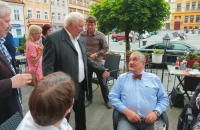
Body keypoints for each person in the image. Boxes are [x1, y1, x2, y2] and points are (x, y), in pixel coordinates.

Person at [42, 12, 110, 130]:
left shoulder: (80, 39)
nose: (83, 29)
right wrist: (53, 91)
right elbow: (48, 70)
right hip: (63, 89)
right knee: (63, 119)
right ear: (70, 24)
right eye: (80, 26)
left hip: (80, 86)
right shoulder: (53, 39)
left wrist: (101, 69)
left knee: (80, 117)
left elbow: (86, 59)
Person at [108, 51, 169, 130]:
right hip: (127, 120)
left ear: (143, 63)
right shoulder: (122, 78)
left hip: (151, 121)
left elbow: (164, 99)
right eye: (130, 60)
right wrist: (126, 111)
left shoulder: (154, 79)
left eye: (135, 60)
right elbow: (112, 96)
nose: (131, 62)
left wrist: (156, 113)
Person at [0, 1, 32, 125]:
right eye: (7, 21)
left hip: (11, 111)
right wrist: (11, 82)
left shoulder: (2, 42)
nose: (10, 26)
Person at [80, 16, 111, 109]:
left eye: (91, 25)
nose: (89, 27)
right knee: (88, 82)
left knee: (103, 83)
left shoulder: (100, 35)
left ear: (95, 25)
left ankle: (107, 100)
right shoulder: (82, 35)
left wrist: (96, 54)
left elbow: (105, 48)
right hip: (87, 63)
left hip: (98, 63)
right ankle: (89, 99)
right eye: (88, 24)